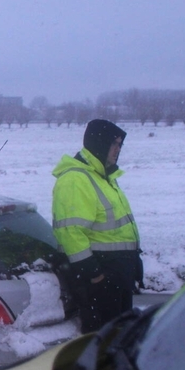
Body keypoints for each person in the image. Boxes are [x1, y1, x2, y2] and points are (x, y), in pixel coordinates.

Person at [52, 118, 143, 333]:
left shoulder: (104, 177)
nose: (118, 150)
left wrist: (132, 260)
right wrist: (94, 274)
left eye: (120, 144)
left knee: (119, 338)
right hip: (100, 280)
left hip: (115, 276)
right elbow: (70, 232)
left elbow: (114, 230)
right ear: (99, 143)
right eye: (114, 144)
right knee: (104, 341)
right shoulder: (76, 179)